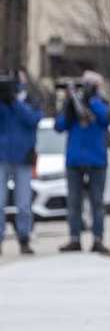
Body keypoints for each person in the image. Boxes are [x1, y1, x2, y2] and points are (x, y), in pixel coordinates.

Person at [55, 70, 110, 254]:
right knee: (74, 202)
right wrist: (69, 105)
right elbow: (59, 126)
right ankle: (74, 238)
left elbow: (106, 119)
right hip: (75, 159)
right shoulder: (72, 104)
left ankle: (98, 238)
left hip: (96, 159)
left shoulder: (101, 102)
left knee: (97, 201)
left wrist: (92, 102)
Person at [2, 71, 42, 255]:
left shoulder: (31, 100)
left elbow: (33, 120)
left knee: (24, 203)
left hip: (23, 158)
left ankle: (24, 238)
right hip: (2, 157)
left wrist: (15, 103)